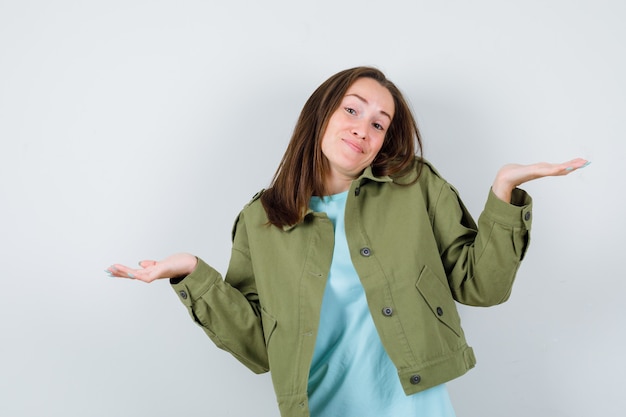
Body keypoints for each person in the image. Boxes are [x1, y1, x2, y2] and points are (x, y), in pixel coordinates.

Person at [106, 67, 589, 417]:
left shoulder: (414, 186)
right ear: (322, 115)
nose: (364, 127)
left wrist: (503, 193)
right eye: (353, 110)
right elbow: (259, 349)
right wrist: (194, 273)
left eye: (379, 123)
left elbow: (482, 286)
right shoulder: (261, 220)